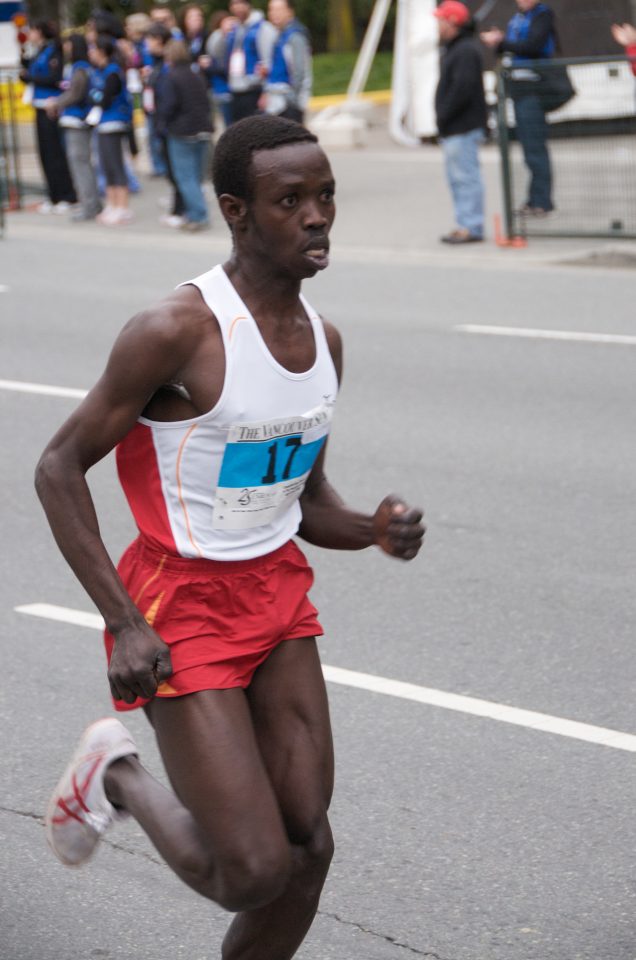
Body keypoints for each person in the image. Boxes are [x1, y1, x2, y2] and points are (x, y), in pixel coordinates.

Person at [36, 114, 425, 960]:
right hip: (179, 602)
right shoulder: (176, 331)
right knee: (251, 870)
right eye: (291, 200)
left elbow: (305, 500)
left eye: (326, 197)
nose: (317, 216)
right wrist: (126, 623)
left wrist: (373, 528)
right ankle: (117, 776)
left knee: (308, 845)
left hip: (276, 595)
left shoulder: (324, 342)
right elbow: (59, 468)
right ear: (236, 211)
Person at [481, 0, 558, 216]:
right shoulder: (519, 17)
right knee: (528, 149)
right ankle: (534, 199)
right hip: (519, 88)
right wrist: (498, 43)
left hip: (533, 88)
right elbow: (512, 49)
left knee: (535, 148)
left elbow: (533, 45)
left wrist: (502, 41)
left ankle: (542, 201)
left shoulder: (542, 15)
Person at [433, 0, 487, 245]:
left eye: (441, 20)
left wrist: (444, 114)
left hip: (462, 126)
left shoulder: (464, 50)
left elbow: (462, 89)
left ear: (452, 22)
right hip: (456, 126)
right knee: (458, 178)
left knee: (465, 178)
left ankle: (471, 226)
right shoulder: (457, 47)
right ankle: (465, 223)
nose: (437, 25)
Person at [20, 20, 76, 214]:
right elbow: (28, 66)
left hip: (50, 106)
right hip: (38, 105)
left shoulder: (54, 50)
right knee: (45, 153)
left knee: (55, 153)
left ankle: (67, 195)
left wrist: (30, 78)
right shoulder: (39, 50)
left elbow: (54, 78)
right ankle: (53, 195)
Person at [156, 39, 213, 231]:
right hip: (203, 128)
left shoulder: (171, 77)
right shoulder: (197, 75)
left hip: (182, 131)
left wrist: (161, 125)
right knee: (196, 176)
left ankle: (198, 215)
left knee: (185, 177)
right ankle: (194, 211)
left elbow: (168, 106)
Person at [45, 33, 102, 222]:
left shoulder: (79, 69)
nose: (66, 48)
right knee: (83, 163)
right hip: (79, 120)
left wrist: (56, 102)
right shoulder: (84, 68)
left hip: (77, 120)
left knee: (80, 164)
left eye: (69, 44)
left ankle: (89, 206)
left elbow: (75, 94)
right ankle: (93, 203)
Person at [144, 24, 186, 228]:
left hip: (170, 123)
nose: (147, 45)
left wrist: (163, 122)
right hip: (160, 119)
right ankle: (178, 205)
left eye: (150, 40)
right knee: (171, 167)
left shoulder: (169, 64)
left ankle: (181, 209)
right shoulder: (156, 64)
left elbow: (170, 97)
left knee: (176, 168)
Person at [89, 34, 134, 225]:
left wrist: (95, 96)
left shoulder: (113, 72)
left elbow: (105, 99)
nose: (90, 53)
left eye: (93, 49)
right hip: (103, 124)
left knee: (115, 165)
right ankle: (111, 203)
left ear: (101, 51)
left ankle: (122, 206)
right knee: (105, 165)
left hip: (113, 123)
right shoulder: (100, 71)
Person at [222, 0, 277, 122]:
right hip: (236, 90)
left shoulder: (261, 28)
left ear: (248, 4)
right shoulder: (235, 29)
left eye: (240, 3)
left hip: (254, 90)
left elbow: (269, 62)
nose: (237, 7)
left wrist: (266, 91)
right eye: (233, 4)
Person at [264, 0, 312, 123]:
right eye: (271, 9)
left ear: (290, 12)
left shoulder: (295, 36)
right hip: (277, 103)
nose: (274, 13)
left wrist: (293, 99)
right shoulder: (280, 35)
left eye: (279, 9)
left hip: (289, 104)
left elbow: (299, 71)